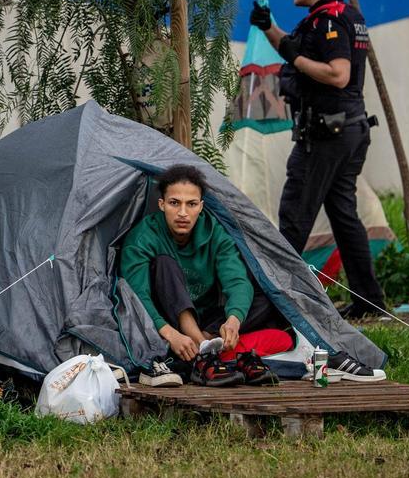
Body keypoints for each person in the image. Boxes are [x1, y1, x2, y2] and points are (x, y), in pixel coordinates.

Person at [249, 0, 389, 323]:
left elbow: (337, 73)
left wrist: (294, 58)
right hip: (349, 129)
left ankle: (275, 307)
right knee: (344, 215)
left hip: (326, 134)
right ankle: (369, 301)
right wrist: (268, 27)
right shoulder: (342, 16)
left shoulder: (329, 21)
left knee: (294, 217)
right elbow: (297, 50)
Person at [119, 164, 287, 387]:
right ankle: (204, 351)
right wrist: (170, 334)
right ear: (161, 205)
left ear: (201, 206)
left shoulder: (214, 231)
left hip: (206, 318)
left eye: (191, 204)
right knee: (164, 264)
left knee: (266, 294)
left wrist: (234, 320)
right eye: (174, 203)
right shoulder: (143, 237)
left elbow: (236, 280)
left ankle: (206, 344)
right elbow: (137, 295)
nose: (182, 213)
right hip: (165, 321)